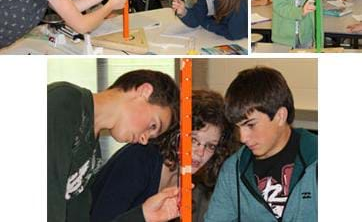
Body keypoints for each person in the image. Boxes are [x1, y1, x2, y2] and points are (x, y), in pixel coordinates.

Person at [48, 69, 180, 222]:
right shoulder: (64, 102)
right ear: (145, 91)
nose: (144, 140)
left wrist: (143, 216)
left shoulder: (91, 153)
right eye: (152, 125)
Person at [90, 90, 232, 222]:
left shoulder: (187, 178)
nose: (200, 153)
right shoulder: (139, 159)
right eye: (193, 140)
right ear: (175, 133)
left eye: (210, 146)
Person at [204, 66, 318, 222]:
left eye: (251, 125)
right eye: (238, 127)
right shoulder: (233, 169)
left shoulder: (316, 158)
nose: (243, 138)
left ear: (280, 116)